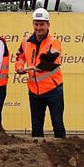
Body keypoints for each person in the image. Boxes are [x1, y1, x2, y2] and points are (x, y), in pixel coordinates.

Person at [15, 8, 65, 138]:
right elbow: (20, 56)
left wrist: (33, 68)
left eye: (42, 24)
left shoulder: (54, 42)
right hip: (34, 91)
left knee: (58, 124)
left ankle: (63, 154)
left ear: (48, 25)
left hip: (53, 90)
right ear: (33, 24)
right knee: (36, 128)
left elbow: (50, 62)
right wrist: (19, 67)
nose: (39, 27)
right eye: (36, 24)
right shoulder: (25, 42)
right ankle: (38, 157)